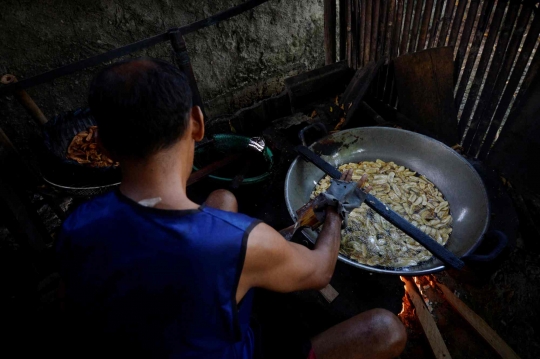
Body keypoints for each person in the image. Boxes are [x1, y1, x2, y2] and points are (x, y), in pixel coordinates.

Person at [56, 57, 406, 359]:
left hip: (141, 335)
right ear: (197, 123)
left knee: (223, 200)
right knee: (386, 330)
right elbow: (319, 271)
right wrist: (334, 212)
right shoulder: (240, 243)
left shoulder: (76, 225)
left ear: (101, 144)